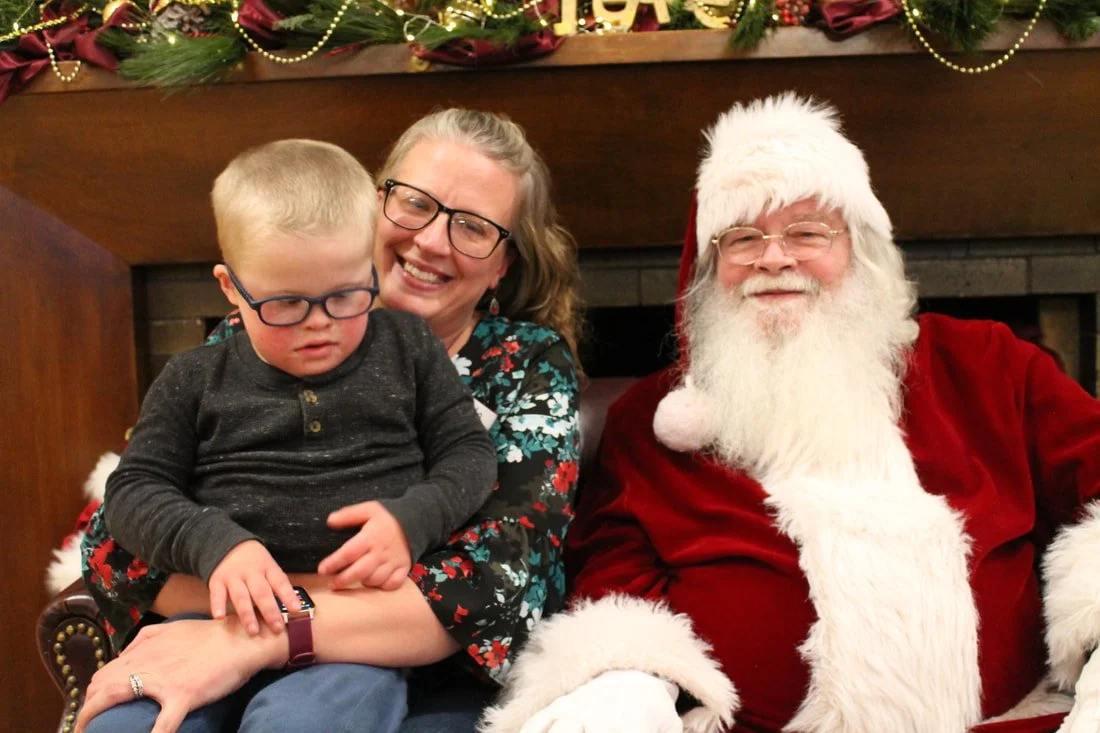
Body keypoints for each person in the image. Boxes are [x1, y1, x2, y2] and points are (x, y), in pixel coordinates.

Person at [479, 93, 1100, 733]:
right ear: (709, 265)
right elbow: (613, 585)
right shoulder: (654, 421)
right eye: (743, 237)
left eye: (807, 233)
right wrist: (627, 683)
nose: (774, 259)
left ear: (860, 251)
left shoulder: (989, 366)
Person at [75, 109, 583, 733]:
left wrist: (264, 629)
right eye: (415, 204)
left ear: (503, 262)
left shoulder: (520, 362)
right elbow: (113, 542)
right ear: (374, 207)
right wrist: (230, 563)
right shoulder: (251, 336)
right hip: (219, 617)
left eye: (473, 228)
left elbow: (497, 577)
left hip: (382, 667)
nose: (430, 241)